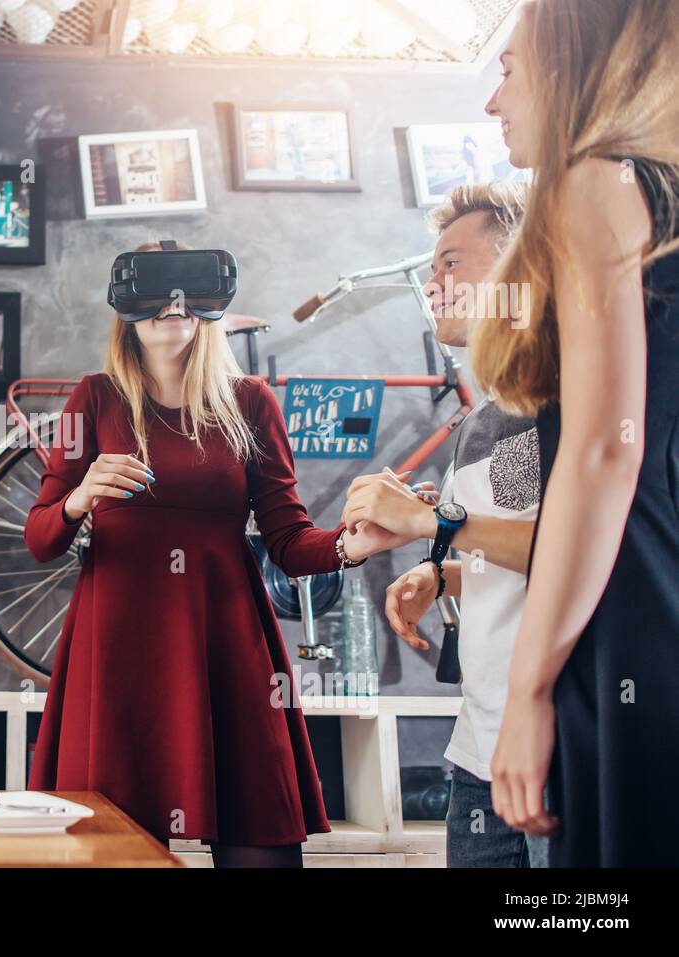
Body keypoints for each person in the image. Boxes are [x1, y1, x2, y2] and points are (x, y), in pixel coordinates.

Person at [23, 241, 400, 868]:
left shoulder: (250, 401)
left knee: (260, 842)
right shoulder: (92, 399)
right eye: (153, 292)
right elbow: (40, 538)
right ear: (125, 310)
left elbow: (287, 539)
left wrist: (348, 546)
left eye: (187, 292)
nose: (171, 306)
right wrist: (78, 498)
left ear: (211, 307)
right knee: (114, 852)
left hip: (225, 638)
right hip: (119, 645)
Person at [470, 0, 679, 866]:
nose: (495, 100)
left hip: (631, 609)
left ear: (572, 62)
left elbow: (604, 446)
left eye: (511, 68)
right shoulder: (659, 190)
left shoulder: (597, 180)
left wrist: (528, 686)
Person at [341, 181, 549, 867]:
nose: (433, 281)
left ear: (519, 265)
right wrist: (444, 571)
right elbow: (526, 546)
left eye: (452, 262)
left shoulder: (563, 400)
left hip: (550, 757)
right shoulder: (494, 416)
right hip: (477, 755)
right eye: (433, 266)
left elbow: (585, 557)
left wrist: (433, 523)